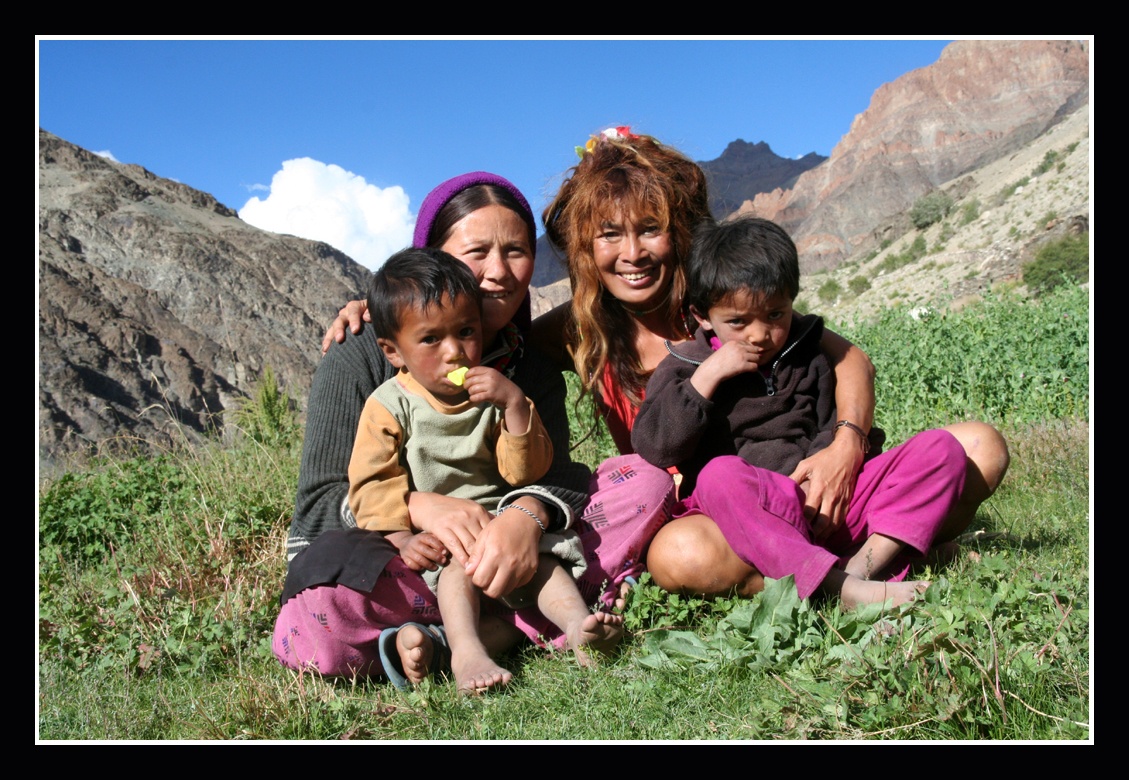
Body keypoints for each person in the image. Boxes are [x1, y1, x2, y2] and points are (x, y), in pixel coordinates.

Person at [277, 172, 669, 692]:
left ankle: (458, 639)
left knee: (645, 481)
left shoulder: (528, 366)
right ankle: (504, 630)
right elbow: (318, 506)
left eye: (516, 251)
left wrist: (526, 519)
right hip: (409, 560)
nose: (498, 272)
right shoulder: (362, 353)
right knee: (321, 626)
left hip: (517, 553)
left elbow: (555, 474)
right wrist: (418, 509)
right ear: (432, 256)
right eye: (476, 252)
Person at [632, 216, 966, 607]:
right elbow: (655, 447)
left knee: (940, 448)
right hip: (748, 520)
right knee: (719, 474)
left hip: (821, 503)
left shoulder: (806, 352)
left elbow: (826, 423)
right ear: (703, 316)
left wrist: (823, 466)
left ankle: (858, 572)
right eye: (738, 322)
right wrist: (706, 378)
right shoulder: (685, 365)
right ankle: (836, 582)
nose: (760, 334)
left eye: (776, 315)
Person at [347, 246, 622, 690]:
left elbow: (526, 473)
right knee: (457, 580)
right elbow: (372, 482)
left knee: (545, 564)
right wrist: (401, 537)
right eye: (431, 339)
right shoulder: (389, 407)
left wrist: (514, 404)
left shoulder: (494, 393)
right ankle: (467, 653)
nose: (455, 352)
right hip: (446, 541)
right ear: (393, 352)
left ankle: (579, 628)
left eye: (466, 331)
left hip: (503, 525)